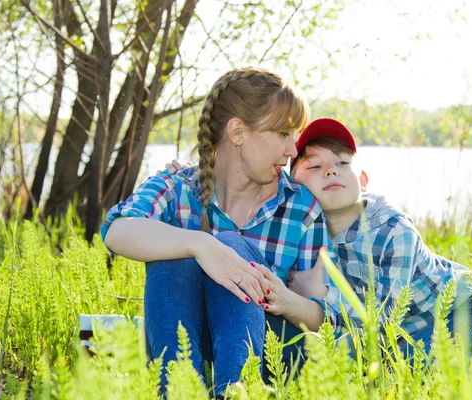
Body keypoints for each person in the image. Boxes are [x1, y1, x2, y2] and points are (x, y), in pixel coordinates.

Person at [101, 67, 337, 396]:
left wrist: (284, 298)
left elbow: (318, 319)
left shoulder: (301, 208)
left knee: (230, 243)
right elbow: (116, 231)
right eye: (283, 133)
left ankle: (236, 391)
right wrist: (201, 245)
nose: (293, 150)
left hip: (269, 355)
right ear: (238, 132)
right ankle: (182, 390)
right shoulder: (178, 186)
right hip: (188, 335)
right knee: (175, 251)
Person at [287, 118, 472, 355]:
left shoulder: (394, 230)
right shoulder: (301, 235)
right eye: (314, 166)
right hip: (400, 333)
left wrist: (323, 294)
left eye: (342, 162)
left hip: (458, 310)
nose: (330, 170)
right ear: (293, 185)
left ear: (362, 181)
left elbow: (385, 322)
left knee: (404, 371)